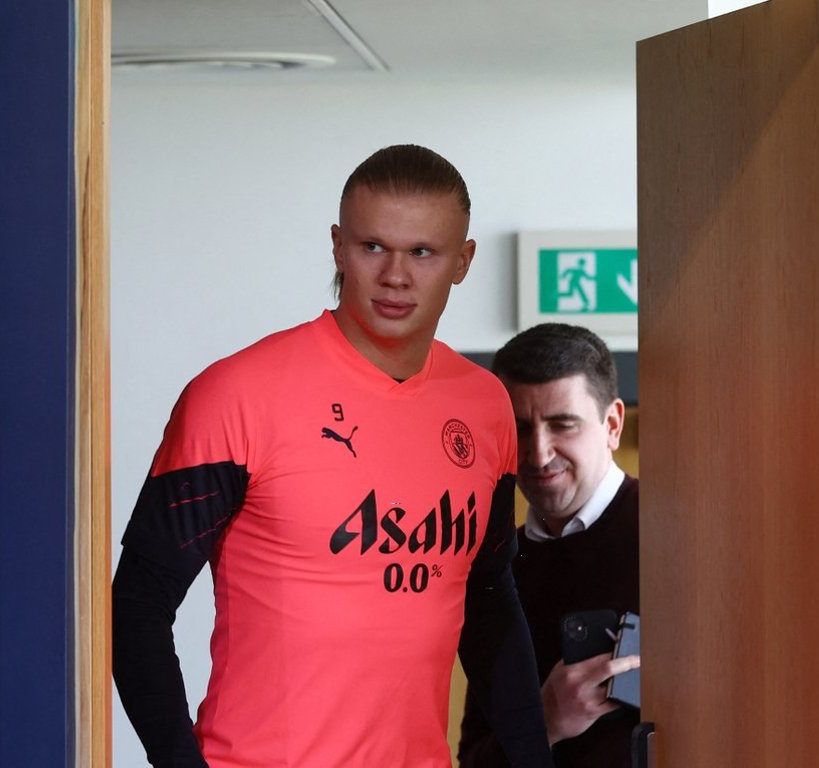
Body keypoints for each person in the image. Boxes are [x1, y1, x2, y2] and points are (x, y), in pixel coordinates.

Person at [113, 145, 553, 767]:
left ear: (463, 261)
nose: (395, 276)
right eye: (373, 246)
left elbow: (487, 596)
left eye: (422, 252)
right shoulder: (236, 395)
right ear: (339, 247)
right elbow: (137, 603)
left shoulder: (485, 406)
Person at [458, 323, 641, 767]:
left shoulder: (681, 540)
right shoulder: (494, 570)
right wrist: (544, 722)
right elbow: (474, 759)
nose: (539, 454)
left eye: (563, 425)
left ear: (612, 425)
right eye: (519, 429)